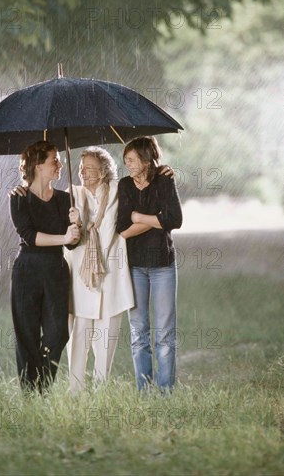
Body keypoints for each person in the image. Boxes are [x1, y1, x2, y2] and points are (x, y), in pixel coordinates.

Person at [9, 140, 80, 392]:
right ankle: (31, 393)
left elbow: (71, 244)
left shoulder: (64, 199)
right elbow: (30, 235)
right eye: (54, 160)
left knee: (57, 332)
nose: (59, 164)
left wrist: (75, 226)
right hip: (27, 270)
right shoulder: (19, 198)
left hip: (56, 271)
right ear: (38, 165)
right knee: (27, 334)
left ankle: (43, 385)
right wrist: (64, 237)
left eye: (59, 160)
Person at [116, 136, 183, 392]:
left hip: (163, 265)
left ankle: (166, 390)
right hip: (134, 267)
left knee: (165, 332)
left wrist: (138, 216)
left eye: (132, 160)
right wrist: (157, 219)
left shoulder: (164, 180)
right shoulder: (124, 185)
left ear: (146, 159)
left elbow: (175, 220)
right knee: (138, 331)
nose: (128, 165)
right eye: (125, 161)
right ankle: (143, 391)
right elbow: (122, 228)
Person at [65, 147, 134, 392]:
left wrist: (163, 172)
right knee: (79, 334)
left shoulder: (118, 190)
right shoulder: (71, 195)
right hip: (81, 276)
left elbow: (144, 183)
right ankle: (75, 389)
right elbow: (66, 237)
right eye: (81, 168)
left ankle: (101, 388)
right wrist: (73, 223)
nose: (83, 173)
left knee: (107, 335)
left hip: (111, 274)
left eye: (90, 168)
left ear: (104, 171)